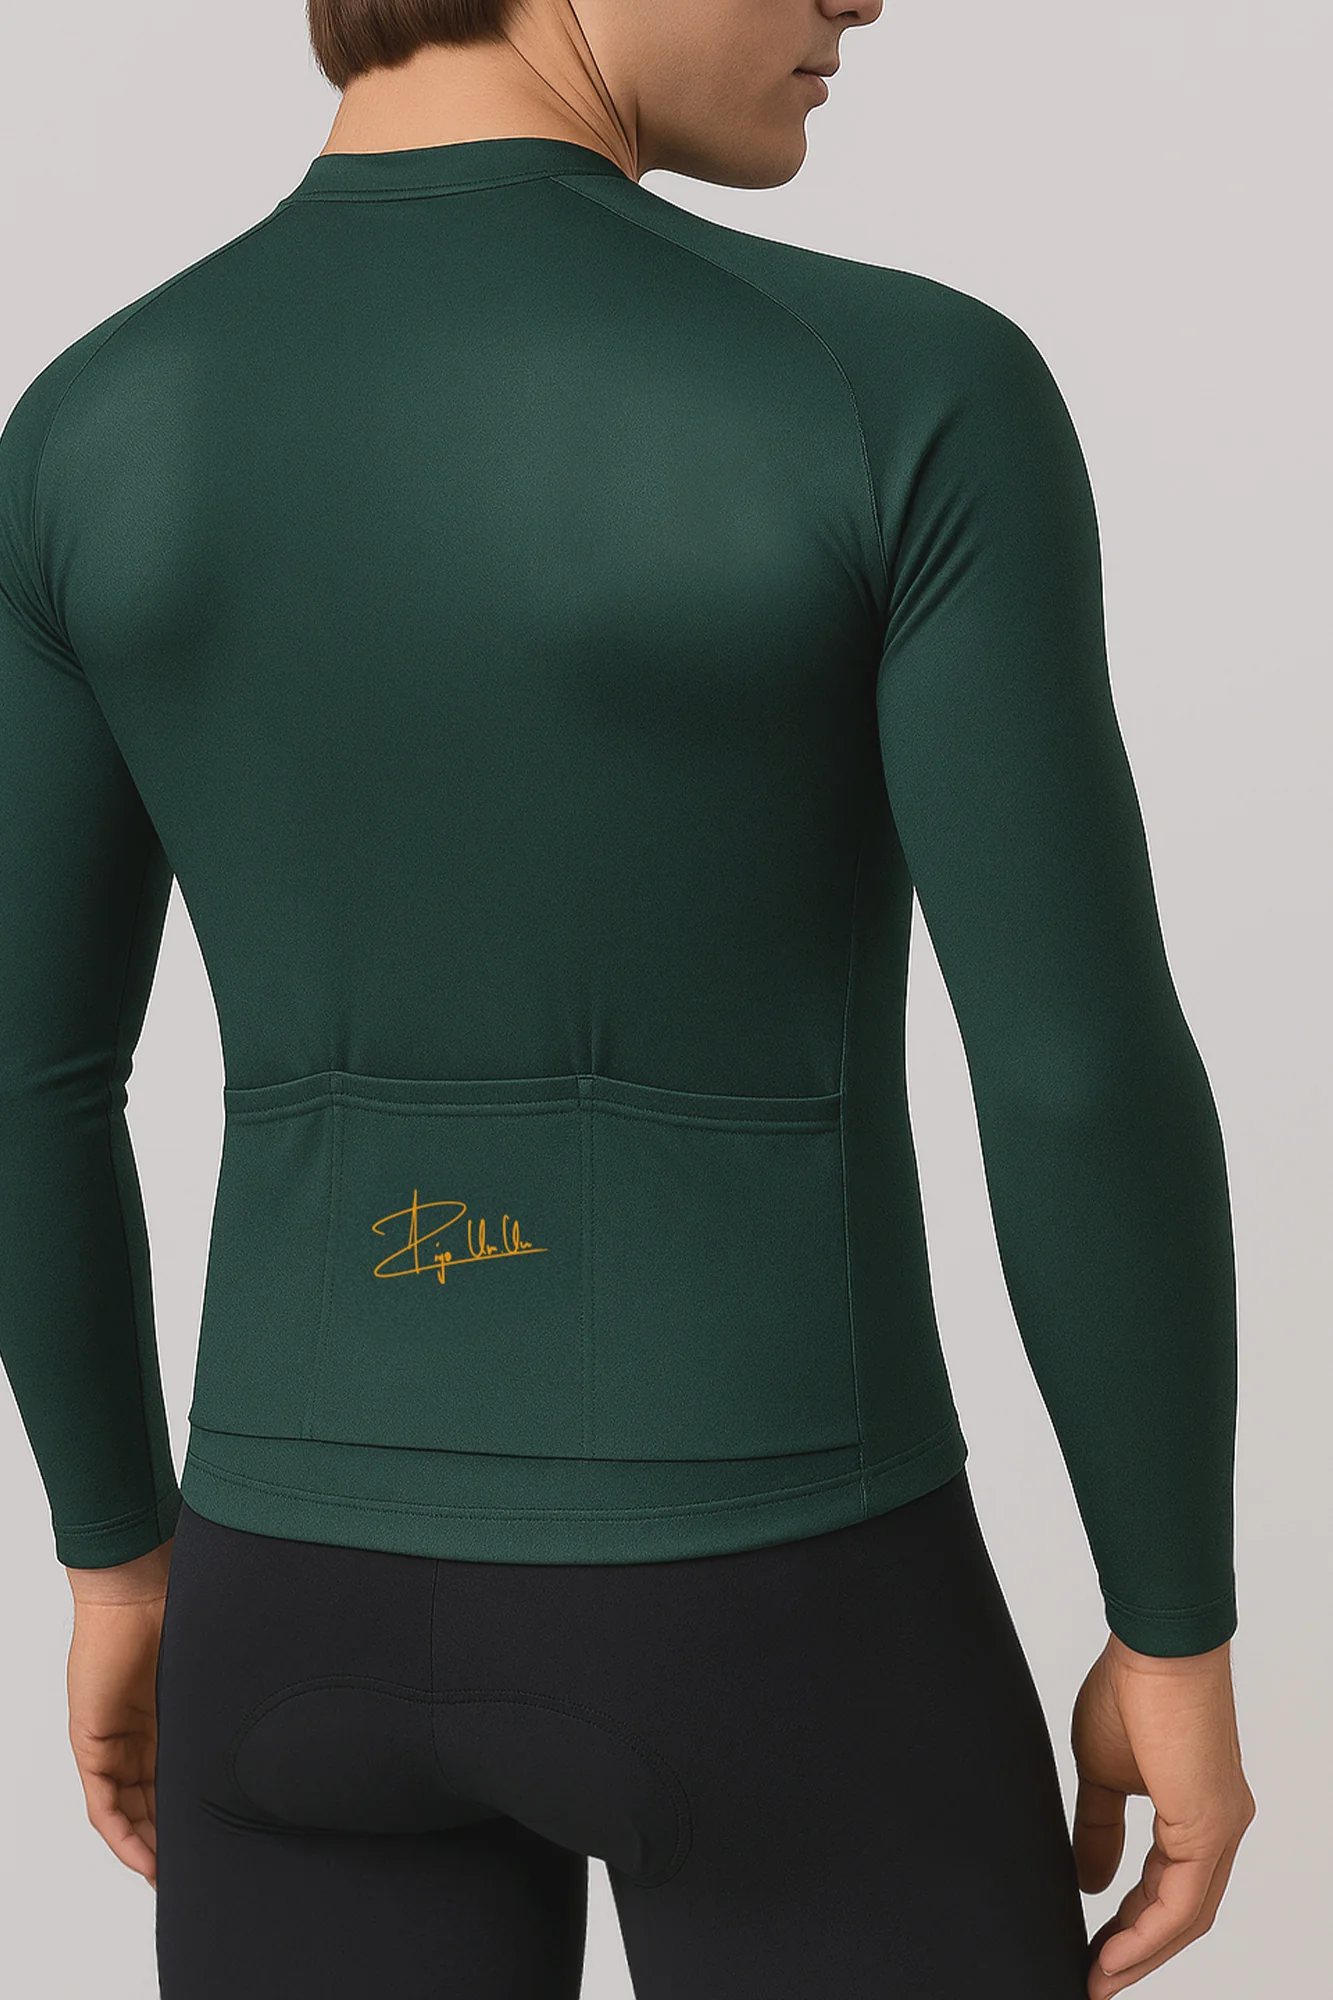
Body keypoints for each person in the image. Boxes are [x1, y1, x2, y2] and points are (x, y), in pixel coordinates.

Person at [0, 0, 1256, 1993]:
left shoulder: (90, 424)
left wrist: (113, 1555)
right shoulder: (899, 387)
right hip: (787, 1609)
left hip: (283, 1611)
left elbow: (25, 1078)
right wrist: (1172, 1624)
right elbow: (1073, 1067)